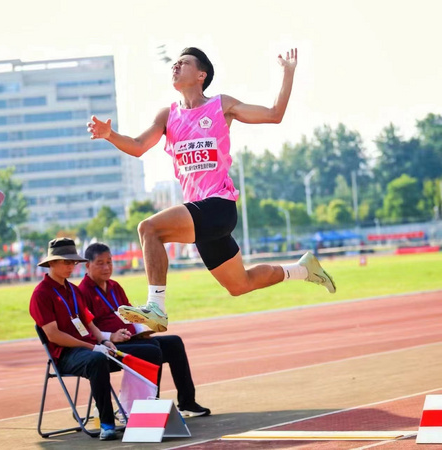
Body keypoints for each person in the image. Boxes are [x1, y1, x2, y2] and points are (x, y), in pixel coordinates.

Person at [87, 47, 336, 332]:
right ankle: (304, 269)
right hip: (199, 215)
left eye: (184, 63)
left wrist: (287, 73)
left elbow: (274, 114)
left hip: (218, 206)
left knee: (148, 229)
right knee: (240, 285)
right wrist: (110, 135)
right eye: (175, 63)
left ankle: (156, 307)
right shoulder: (168, 115)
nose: (176, 66)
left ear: (201, 75)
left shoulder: (221, 105)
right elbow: (138, 146)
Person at [29, 237, 161, 441]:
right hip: (66, 354)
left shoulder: (72, 290)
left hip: (90, 347)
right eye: (66, 261)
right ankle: (107, 423)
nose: (71, 266)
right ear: (51, 263)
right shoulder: (41, 294)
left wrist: (104, 341)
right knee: (97, 360)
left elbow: (88, 323)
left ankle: (140, 411)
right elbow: (53, 335)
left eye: (73, 262)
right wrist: (92, 347)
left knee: (150, 351)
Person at [79, 242, 211, 417]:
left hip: (131, 339)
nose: (106, 267)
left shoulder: (114, 287)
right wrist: (111, 336)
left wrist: (143, 329)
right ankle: (147, 408)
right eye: (100, 263)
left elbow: (130, 315)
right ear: (87, 265)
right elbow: (86, 330)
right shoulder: (81, 292)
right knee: (151, 350)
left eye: (109, 262)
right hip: (107, 347)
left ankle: (187, 402)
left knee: (174, 343)